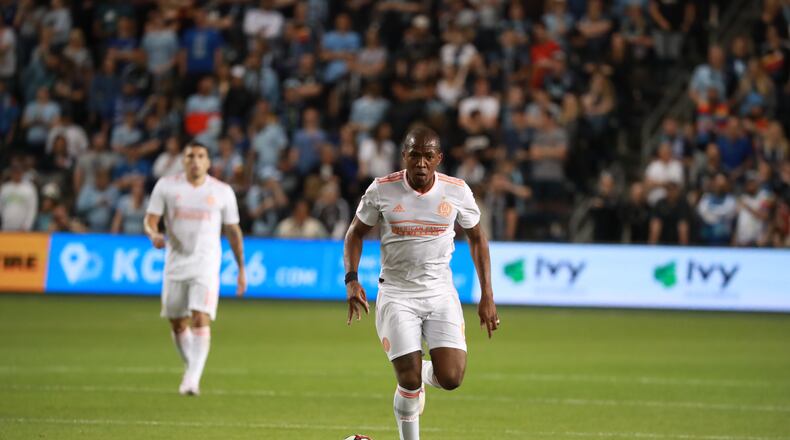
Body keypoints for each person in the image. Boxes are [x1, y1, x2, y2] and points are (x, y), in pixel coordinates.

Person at [343, 127, 499, 440]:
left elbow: (478, 239)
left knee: (451, 378)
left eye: (428, 156)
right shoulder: (382, 190)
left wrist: (487, 295)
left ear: (439, 158)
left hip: (440, 293)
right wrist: (351, 279)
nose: (421, 162)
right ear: (405, 156)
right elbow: (354, 234)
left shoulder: (457, 191)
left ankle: (421, 368)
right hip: (397, 294)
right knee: (409, 379)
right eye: (415, 155)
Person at [144, 141, 246, 396]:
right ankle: (193, 368)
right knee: (178, 323)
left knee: (200, 316)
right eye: (190, 156)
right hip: (175, 263)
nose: (195, 161)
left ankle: (192, 379)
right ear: (183, 160)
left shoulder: (222, 191)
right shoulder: (166, 186)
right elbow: (150, 219)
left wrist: (241, 268)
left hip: (206, 264)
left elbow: (233, 231)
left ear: (208, 162)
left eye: (201, 156)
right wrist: (153, 234)